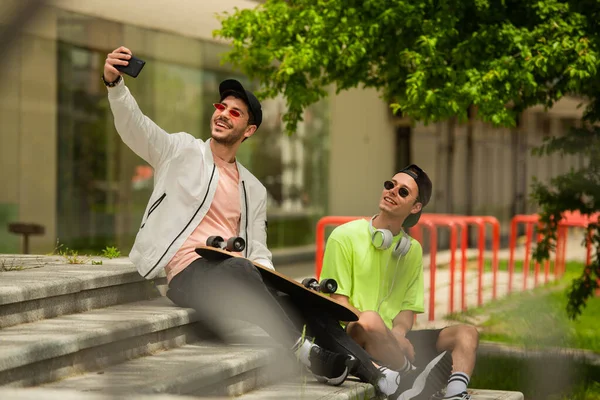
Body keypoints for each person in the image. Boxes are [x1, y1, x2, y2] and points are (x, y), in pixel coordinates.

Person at [102, 45, 352, 384]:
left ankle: (374, 371)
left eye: (235, 112)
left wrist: (278, 283)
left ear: (248, 130)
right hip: (187, 277)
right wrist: (115, 85)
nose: (222, 113)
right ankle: (304, 353)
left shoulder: (253, 188)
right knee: (238, 265)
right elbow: (136, 127)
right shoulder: (179, 151)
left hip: (232, 273)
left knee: (303, 298)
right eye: (221, 106)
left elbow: (259, 250)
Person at [320, 164, 480, 400]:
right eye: (390, 185)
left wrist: (398, 333)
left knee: (467, 333)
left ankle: (456, 394)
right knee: (371, 319)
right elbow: (340, 305)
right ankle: (411, 376)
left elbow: (408, 308)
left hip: (396, 343)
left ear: (415, 207)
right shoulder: (344, 236)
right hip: (356, 334)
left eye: (403, 191)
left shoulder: (411, 250)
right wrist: (389, 335)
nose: (392, 191)